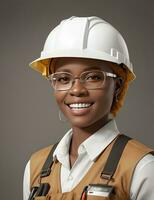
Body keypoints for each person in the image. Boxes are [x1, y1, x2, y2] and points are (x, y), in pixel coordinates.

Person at [23, 16, 154, 200]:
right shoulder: (35, 167)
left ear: (117, 85)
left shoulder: (142, 169)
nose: (76, 90)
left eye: (93, 77)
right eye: (63, 79)